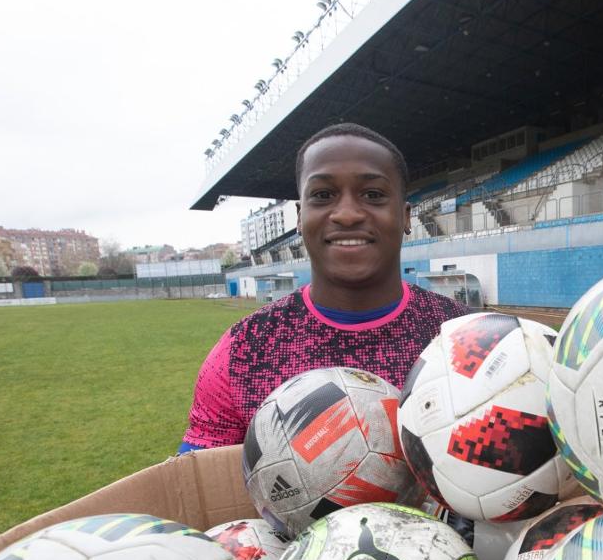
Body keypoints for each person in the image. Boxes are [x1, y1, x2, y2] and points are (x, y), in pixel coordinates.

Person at [179, 123, 467, 452]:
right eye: (323, 195)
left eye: (373, 195)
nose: (346, 215)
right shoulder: (243, 352)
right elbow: (201, 487)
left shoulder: (467, 340)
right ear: (300, 217)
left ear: (404, 216)